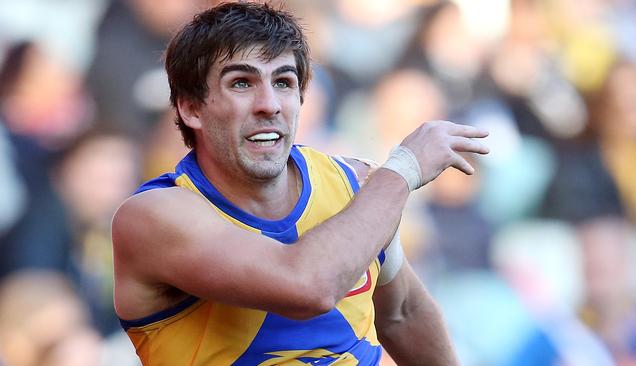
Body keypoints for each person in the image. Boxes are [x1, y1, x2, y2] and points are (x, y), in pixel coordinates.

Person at [111, 3, 489, 365]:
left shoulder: (353, 183)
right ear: (191, 108)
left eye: (284, 82)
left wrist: (386, 181)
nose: (269, 104)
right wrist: (402, 171)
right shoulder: (153, 216)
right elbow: (308, 287)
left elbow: (402, 313)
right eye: (242, 83)